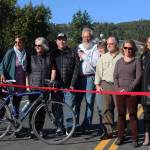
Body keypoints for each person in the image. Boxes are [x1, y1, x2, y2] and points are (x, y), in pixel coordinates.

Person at [114, 40, 142, 147]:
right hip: (120, 92)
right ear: (123, 49)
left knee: (133, 115)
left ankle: (135, 138)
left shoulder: (137, 61)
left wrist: (129, 89)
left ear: (133, 49)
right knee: (121, 115)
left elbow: (138, 77)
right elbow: (115, 76)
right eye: (126, 48)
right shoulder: (119, 61)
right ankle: (120, 136)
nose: (128, 50)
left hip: (132, 93)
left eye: (130, 48)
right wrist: (118, 89)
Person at [51, 33, 80, 134]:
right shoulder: (53, 53)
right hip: (57, 86)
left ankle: (70, 127)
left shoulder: (73, 52)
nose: (61, 41)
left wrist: (72, 84)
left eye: (63, 39)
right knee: (57, 107)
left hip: (69, 85)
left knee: (71, 106)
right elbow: (50, 69)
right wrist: (52, 84)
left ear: (66, 41)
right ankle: (59, 126)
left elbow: (77, 69)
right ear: (56, 41)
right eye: (59, 39)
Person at [27, 37, 56, 136]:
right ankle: (32, 130)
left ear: (44, 46)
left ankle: (39, 129)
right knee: (33, 109)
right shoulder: (30, 57)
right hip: (33, 87)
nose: (37, 47)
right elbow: (27, 73)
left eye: (39, 45)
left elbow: (53, 69)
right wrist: (27, 86)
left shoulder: (49, 57)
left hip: (45, 88)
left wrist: (51, 81)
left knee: (42, 110)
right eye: (36, 45)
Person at [95, 36, 122, 139]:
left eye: (111, 43)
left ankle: (120, 131)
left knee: (120, 109)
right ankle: (108, 131)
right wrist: (97, 85)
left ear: (116, 44)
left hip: (118, 85)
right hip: (105, 84)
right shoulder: (103, 57)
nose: (109, 45)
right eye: (108, 44)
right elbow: (98, 72)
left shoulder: (122, 57)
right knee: (107, 108)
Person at [75, 27, 99, 130]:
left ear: (92, 37)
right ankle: (74, 124)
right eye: (85, 37)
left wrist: (84, 56)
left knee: (89, 102)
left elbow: (95, 63)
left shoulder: (95, 47)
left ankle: (86, 124)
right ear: (82, 37)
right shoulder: (78, 47)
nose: (86, 39)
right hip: (79, 78)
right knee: (77, 102)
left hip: (90, 78)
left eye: (88, 37)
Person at [0, 36, 29, 118]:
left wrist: (27, 84)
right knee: (5, 103)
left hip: (21, 82)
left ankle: (15, 122)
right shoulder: (11, 52)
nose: (17, 44)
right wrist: (2, 75)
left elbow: (27, 69)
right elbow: (2, 64)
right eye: (15, 42)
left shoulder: (26, 54)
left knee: (17, 104)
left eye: (19, 42)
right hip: (10, 81)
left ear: (23, 43)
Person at [95, 41, 107, 134]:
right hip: (99, 85)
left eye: (102, 47)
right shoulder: (97, 58)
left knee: (107, 107)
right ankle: (102, 126)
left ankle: (108, 127)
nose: (100, 49)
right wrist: (97, 85)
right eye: (99, 48)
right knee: (100, 107)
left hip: (107, 85)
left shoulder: (108, 57)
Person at [141, 37, 150, 146]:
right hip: (144, 90)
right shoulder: (143, 56)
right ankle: (147, 135)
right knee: (146, 113)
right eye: (149, 42)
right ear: (146, 44)